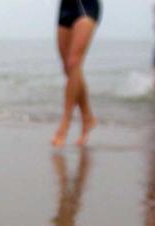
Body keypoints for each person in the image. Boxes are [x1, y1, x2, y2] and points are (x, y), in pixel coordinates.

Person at [52, 0, 102, 147]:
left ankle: (64, 124)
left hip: (86, 6)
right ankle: (88, 117)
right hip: (65, 7)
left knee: (74, 62)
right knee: (68, 69)